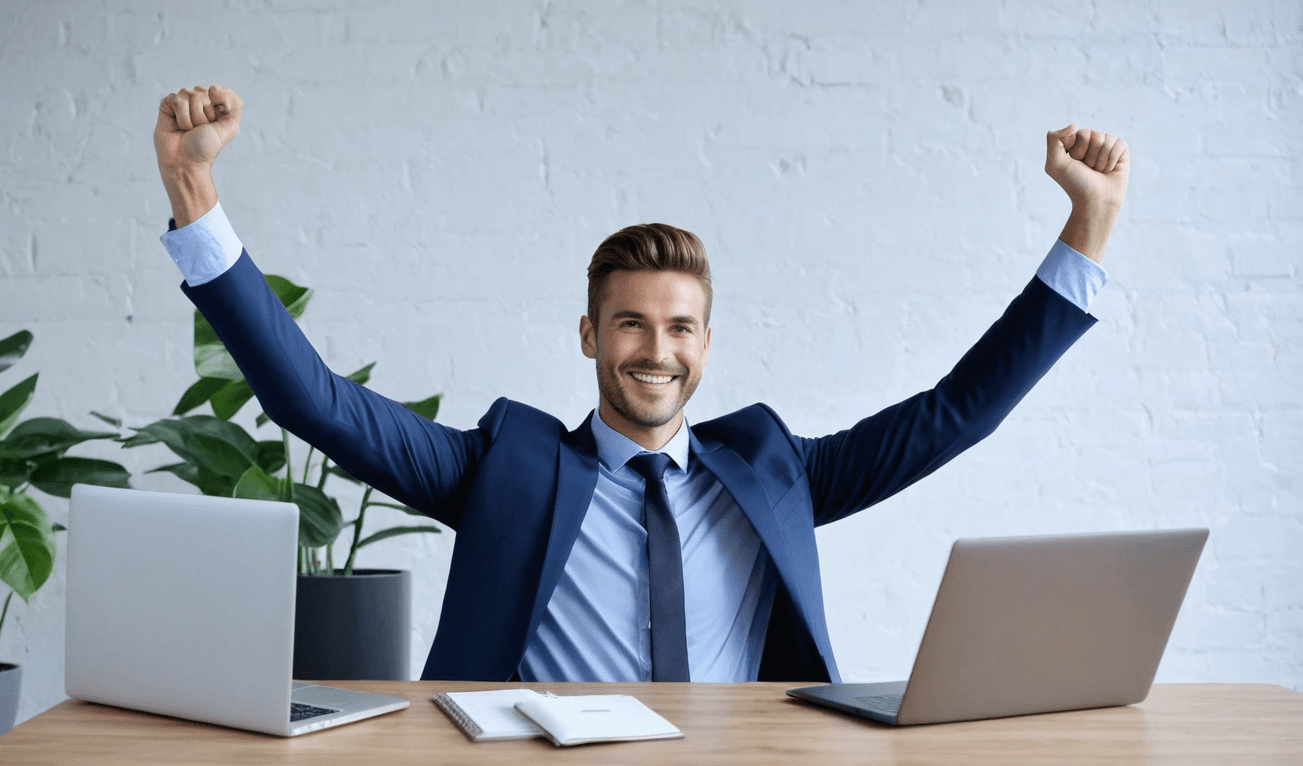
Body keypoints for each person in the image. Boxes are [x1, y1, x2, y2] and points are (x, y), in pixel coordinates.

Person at [153, 84, 1129, 683]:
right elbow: (315, 403)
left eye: (678, 328)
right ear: (590, 334)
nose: (654, 350)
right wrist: (196, 197)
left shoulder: (773, 470)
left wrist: (1087, 225)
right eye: (630, 323)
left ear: (706, 344)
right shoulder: (508, 468)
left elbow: (954, 415)